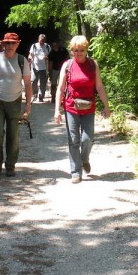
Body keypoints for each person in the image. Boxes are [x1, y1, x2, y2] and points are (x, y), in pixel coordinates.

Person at [53, 35, 110, 183]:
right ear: (72, 51)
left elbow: (99, 86)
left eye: (82, 50)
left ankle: (84, 158)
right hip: (71, 107)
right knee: (73, 140)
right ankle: (76, 172)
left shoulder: (93, 65)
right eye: (76, 50)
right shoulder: (67, 66)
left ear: (86, 50)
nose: (79, 53)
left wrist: (106, 106)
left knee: (87, 139)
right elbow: (60, 89)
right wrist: (57, 110)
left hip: (89, 107)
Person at [0, 32, 33, 177]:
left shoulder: (22, 61)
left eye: (13, 43)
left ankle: (10, 165)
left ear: (17, 44)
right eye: (7, 43)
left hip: (15, 102)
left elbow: (28, 83)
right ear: (2, 44)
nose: (10, 46)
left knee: (13, 136)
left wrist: (28, 104)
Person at [28, 33, 51, 102]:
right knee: (33, 81)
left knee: (43, 83)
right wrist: (29, 58)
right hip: (35, 67)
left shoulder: (47, 46)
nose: (42, 42)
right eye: (41, 40)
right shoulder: (34, 46)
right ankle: (35, 94)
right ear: (38, 39)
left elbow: (51, 56)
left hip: (44, 68)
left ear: (45, 40)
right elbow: (30, 54)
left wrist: (47, 58)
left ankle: (41, 96)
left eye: (43, 40)